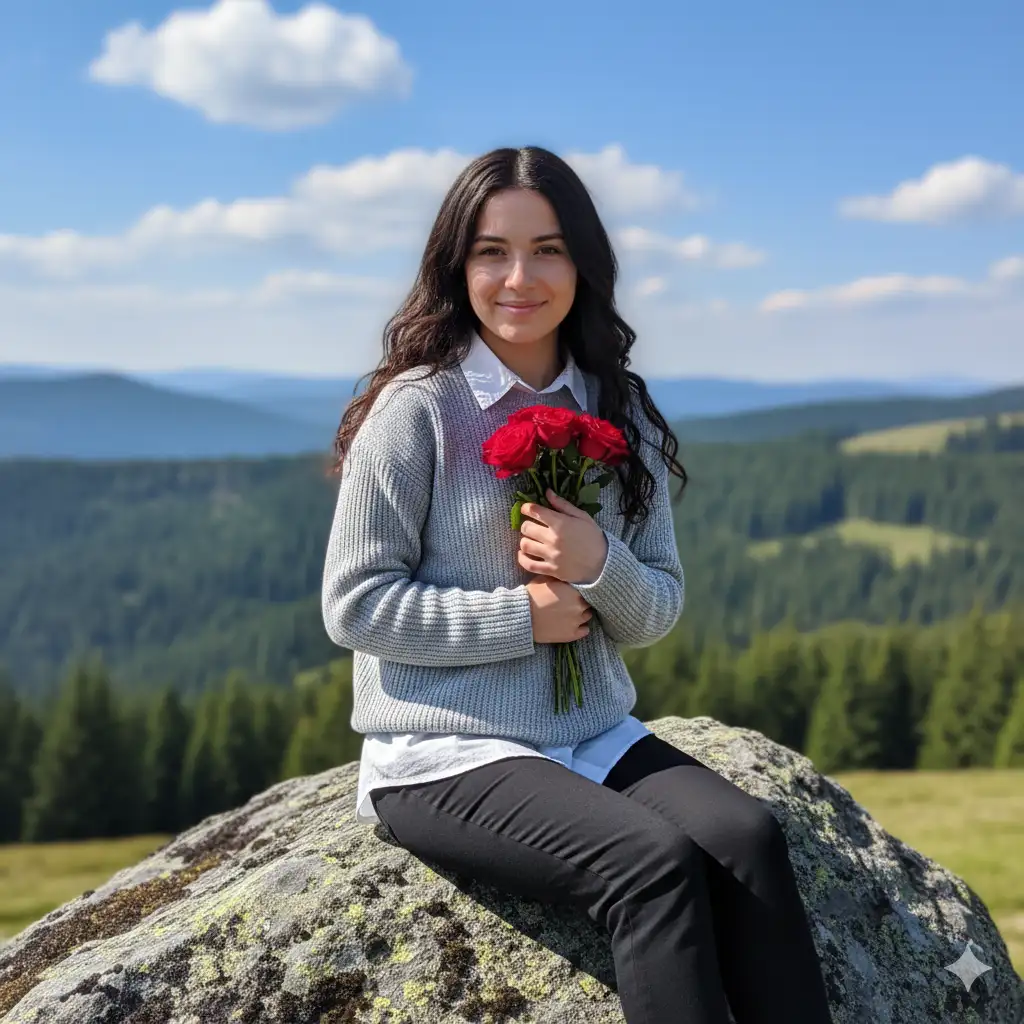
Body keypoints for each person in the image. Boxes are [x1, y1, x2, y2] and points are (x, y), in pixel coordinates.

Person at [321, 145, 834, 1024]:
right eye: (492, 252)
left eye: (548, 250)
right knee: (651, 866)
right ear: (457, 267)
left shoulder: (615, 406)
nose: (520, 278)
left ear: (583, 265)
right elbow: (354, 605)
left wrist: (598, 561)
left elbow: (656, 607)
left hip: (590, 733)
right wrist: (521, 618)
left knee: (747, 838)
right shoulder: (418, 409)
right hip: (445, 751)